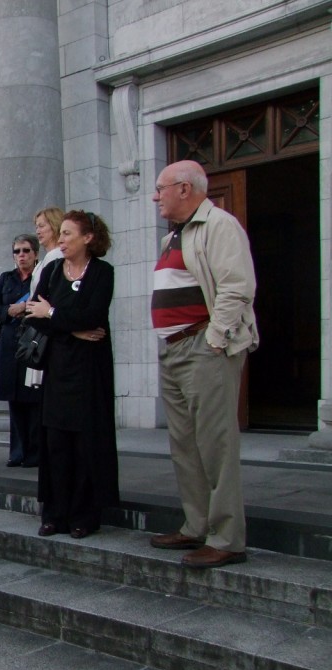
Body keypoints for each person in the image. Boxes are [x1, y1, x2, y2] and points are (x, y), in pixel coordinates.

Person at [148, 160, 258, 568]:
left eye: (160, 188)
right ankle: (196, 525)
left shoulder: (219, 225)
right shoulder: (172, 236)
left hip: (204, 347)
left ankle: (227, 538)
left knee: (215, 444)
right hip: (174, 350)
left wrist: (215, 339)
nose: (155, 197)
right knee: (185, 445)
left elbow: (237, 286)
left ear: (184, 188)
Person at [26, 210, 119, 539]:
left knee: (84, 442)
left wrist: (54, 314)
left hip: (90, 372)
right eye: (60, 233)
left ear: (88, 238)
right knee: (56, 443)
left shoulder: (102, 273)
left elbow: (93, 314)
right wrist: (71, 329)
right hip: (58, 368)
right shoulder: (51, 270)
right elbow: (33, 316)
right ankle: (54, 514)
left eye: (67, 234)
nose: (60, 239)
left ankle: (83, 515)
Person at [0, 235, 41, 467]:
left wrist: (28, 308)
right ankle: (17, 451)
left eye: (26, 250)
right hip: (9, 344)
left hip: (33, 343)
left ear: (35, 254)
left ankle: (34, 452)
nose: (22, 255)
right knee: (14, 399)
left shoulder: (41, 277)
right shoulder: (6, 278)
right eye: (17, 251)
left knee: (32, 397)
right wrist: (12, 309)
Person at [26, 207, 65, 390]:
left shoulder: (56, 256)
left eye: (42, 226)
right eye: (36, 226)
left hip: (47, 329)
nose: (38, 231)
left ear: (55, 225)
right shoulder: (46, 258)